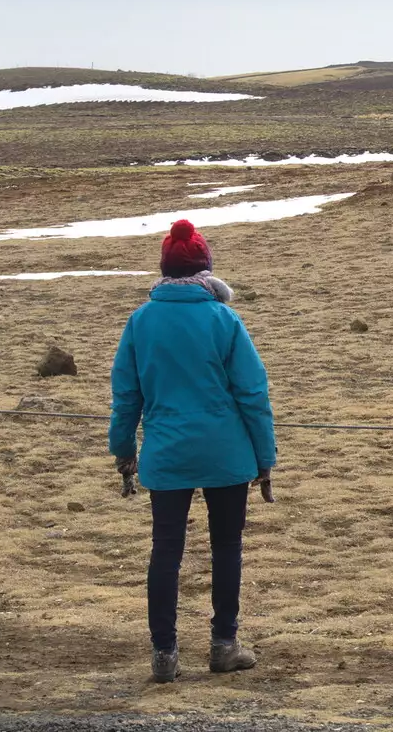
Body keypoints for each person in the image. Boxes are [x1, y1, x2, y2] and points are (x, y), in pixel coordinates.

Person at [109, 218, 276, 684]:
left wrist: (123, 450)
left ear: (164, 270)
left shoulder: (141, 321)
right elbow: (252, 393)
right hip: (226, 453)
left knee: (165, 551)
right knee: (226, 546)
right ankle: (224, 645)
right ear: (205, 269)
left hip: (166, 452)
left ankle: (164, 654)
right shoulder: (224, 319)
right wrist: (266, 458)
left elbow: (126, 396)